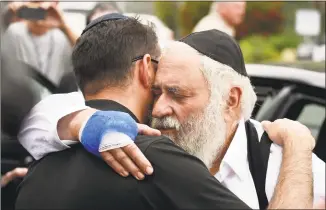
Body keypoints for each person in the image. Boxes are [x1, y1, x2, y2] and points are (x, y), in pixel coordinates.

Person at [18, 14, 320, 209]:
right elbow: (39, 117)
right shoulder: (144, 152)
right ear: (144, 71)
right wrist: (82, 123)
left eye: (177, 93)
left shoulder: (293, 171)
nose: (160, 108)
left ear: (231, 100)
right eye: (157, 91)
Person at [1, 1, 78, 85]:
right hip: (24, 94)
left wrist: (64, 27)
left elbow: (87, 56)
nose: (38, 8)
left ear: (55, 3)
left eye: (43, 2)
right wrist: (5, 21)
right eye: (35, 2)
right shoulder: (13, 31)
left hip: (56, 94)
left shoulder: (64, 34)